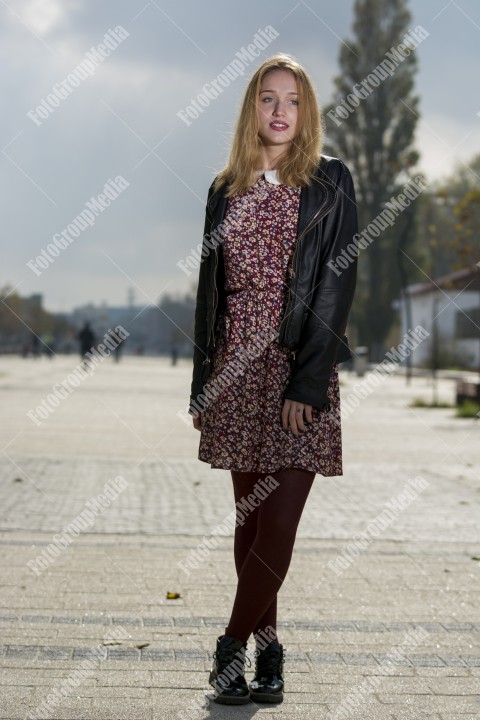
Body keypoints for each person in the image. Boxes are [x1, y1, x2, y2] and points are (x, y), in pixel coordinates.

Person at [188, 53, 358, 705]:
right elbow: (210, 293)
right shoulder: (223, 185)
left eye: (292, 99)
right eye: (267, 98)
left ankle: (230, 645)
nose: (280, 110)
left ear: (307, 111)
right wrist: (204, 382)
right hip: (235, 372)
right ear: (251, 109)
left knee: (279, 522)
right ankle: (270, 650)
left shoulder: (330, 181)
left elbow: (336, 285)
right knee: (250, 523)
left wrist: (310, 384)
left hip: (298, 371)